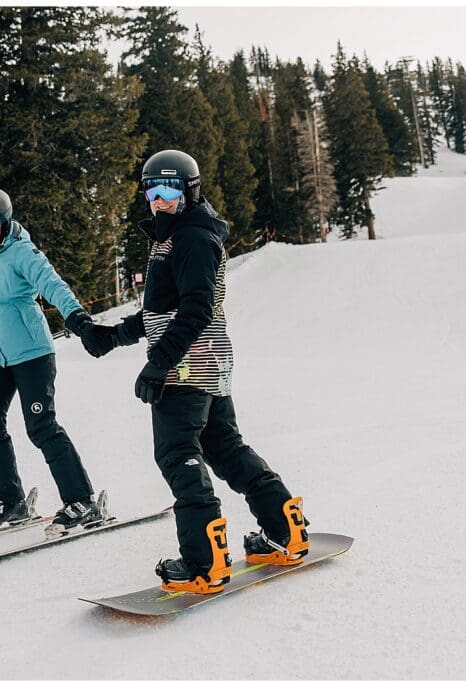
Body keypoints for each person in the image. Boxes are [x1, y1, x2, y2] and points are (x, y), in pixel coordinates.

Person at [81, 150, 309, 594]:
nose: (160, 199)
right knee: (225, 449)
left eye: (170, 189)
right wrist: (113, 336)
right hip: (206, 365)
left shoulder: (192, 239)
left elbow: (196, 309)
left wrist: (158, 365)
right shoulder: (178, 236)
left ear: (190, 191)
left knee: (176, 454)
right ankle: (286, 530)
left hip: (187, 367)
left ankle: (205, 564)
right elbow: (161, 310)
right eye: (152, 189)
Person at [0, 186, 111, 536]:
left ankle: (81, 501)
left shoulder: (22, 253)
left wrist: (78, 319)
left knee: (41, 427)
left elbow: (53, 285)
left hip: (32, 354)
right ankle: (9, 501)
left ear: (3, 220)